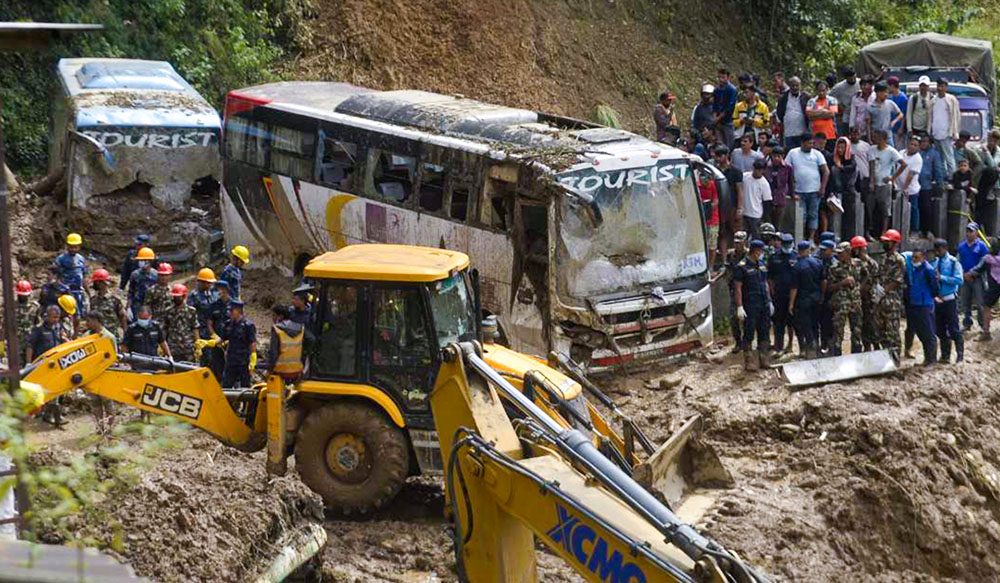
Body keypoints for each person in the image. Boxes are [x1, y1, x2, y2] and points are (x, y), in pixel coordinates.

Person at [734, 239, 772, 370]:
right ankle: (749, 360)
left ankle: (764, 358)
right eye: (761, 251)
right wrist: (739, 306)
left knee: (764, 331)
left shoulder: (761, 263)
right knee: (749, 331)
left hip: (764, 303)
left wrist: (770, 300)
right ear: (756, 251)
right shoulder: (742, 266)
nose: (762, 253)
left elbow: (765, 282)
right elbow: (738, 287)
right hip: (750, 304)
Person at [27, 305, 68, 426]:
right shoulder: (39, 329)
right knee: (50, 390)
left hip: (57, 364)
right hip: (43, 365)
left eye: (58, 317)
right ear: (47, 316)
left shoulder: (58, 327)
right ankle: (57, 417)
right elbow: (30, 346)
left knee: (56, 390)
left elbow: (61, 342)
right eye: (54, 317)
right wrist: (29, 363)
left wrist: (65, 339)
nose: (56, 320)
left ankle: (48, 415)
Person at [786, 133, 830, 242]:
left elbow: (826, 171)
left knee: (813, 214)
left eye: (812, 143)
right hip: (799, 191)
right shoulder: (793, 153)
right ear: (802, 143)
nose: (811, 145)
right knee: (802, 215)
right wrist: (790, 189)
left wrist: (822, 188)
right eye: (809, 143)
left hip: (815, 191)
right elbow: (787, 169)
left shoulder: (817, 154)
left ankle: (811, 238)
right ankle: (801, 238)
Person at [903, 248, 940, 365]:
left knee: (928, 333)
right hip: (914, 304)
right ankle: (927, 359)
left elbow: (935, 287)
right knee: (920, 333)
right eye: (913, 257)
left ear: (923, 258)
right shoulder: (913, 269)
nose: (914, 259)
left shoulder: (928, 270)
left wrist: (929, 297)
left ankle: (931, 360)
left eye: (917, 257)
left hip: (924, 305)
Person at [788, 240, 825, 359]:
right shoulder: (818, 263)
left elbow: (794, 287)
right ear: (808, 250)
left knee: (806, 324)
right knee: (815, 324)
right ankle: (818, 347)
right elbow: (823, 281)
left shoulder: (797, 266)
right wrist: (822, 295)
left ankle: (811, 349)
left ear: (799, 251)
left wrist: (791, 304)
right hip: (816, 297)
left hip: (803, 299)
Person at [84, 311, 118, 433]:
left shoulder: (109, 337)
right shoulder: (86, 336)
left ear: (96, 321)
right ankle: (100, 428)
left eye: (89, 320)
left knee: (108, 403)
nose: (87, 323)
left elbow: (114, 357)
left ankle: (109, 429)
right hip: (91, 375)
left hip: (105, 374)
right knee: (95, 404)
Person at [931, 239, 964, 363]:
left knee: (954, 328)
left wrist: (942, 278)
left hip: (949, 299)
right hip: (938, 300)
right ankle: (945, 355)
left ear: (945, 249)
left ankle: (960, 355)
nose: (937, 252)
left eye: (938, 250)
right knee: (939, 328)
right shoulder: (935, 262)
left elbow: (959, 280)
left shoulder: (953, 262)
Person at [828, 241, 863, 355]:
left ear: (848, 252)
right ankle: (837, 356)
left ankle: (856, 355)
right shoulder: (834, 268)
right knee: (838, 332)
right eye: (837, 254)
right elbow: (829, 287)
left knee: (857, 331)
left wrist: (859, 288)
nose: (839, 256)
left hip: (855, 303)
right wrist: (843, 282)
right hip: (841, 303)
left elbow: (866, 276)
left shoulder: (858, 264)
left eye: (841, 253)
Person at [874, 229, 906, 353]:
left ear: (894, 243)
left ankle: (895, 360)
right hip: (880, 300)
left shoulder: (899, 260)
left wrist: (882, 292)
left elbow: (897, 280)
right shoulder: (882, 258)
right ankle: (885, 358)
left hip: (892, 301)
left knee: (892, 332)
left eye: (887, 242)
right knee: (880, 331)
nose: (884, 244)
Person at [869, 130, 904, 238]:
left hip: (885, 184)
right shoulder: (872, 149)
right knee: (870, 207)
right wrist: (872, 181)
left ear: (883, 139)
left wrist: (892, 177)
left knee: (885, 209)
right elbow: (871, 165)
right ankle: (871, 230)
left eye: (877, 137)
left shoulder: (891, 151)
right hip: (875, 183)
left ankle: (884, 231)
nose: (875, 139)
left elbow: (903, 164)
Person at [267, 305, 313, 380]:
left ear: (280, 316)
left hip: (280, 370)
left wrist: (269, 370)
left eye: (274, 315)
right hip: (297, 370)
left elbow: (273, 352)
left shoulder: (277, 329)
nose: (273, 318)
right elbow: (311, 340)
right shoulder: (301, 328)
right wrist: (303, 355)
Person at [768, 233, 796, 354]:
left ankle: (790, 344)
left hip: (792, 296)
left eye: (788, 244)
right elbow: (769, 277)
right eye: (785, 244)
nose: (786, 246)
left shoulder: (796, 256)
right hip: (778, 295)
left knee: (791, 323)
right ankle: (778, 345)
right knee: (778, 322)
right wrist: (771, 290)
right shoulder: (774, 257)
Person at [712, 145, 743, 261]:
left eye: (720, 155)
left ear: (726, 156)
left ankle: (738, 257)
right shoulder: (715, 171)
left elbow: (739, 190)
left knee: (735, 232)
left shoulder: (735, 171)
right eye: (717, 156)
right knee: (722, 233)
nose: (718, 158)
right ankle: (724, 260)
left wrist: (739, 208)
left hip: (732, 206)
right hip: (719, 206)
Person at [219, 300, 257, 388]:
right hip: (231, 360)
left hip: (243, 361)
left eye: (232, 311)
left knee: (245, 386)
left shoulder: (248, 325)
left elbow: (252, 342)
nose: (230, 313)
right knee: (226, 385)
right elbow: (222, 339)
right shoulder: (228, 324)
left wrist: (253, 357)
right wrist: (208, 343)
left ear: (239, 311)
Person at [958, 223, 989, 331]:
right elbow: (958, 261)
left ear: (976, 233)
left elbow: (984, 262)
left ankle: (982, 325)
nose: (969, 233)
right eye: (967, 231)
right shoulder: (962, 246)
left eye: (971, 231)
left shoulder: (982, 246)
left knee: (980, 303)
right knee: (965, 302)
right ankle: (967, 323)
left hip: (977, 278)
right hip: (965, 277)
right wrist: (962, 273)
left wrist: (972, 273)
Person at [851, 236, 880, 351]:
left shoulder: (871, 264)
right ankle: (866, 346)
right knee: (861, 325)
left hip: (869, 299)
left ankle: (876, 346)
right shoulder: (856, 262)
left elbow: (871, 283)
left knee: (872, 324)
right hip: (860, 299)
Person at [892, 136, 923, 238]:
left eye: (916, 145)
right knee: (897, 208)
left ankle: (914, 230)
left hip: (911, 189)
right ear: (907, 144)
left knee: (913, 209)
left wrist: (904, 189)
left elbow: (910, 176)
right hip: (898, 186)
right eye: (912, 144)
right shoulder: (901, 153)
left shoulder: (918, 159)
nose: (913, 147)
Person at [929, 78, 961, 175]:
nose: (939, 88)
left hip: (947, 133)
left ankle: (952, 178)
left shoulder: (951, 99)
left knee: (949, 157)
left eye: (942, 86)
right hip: (935, 132)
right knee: (940, 157)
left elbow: (956, 116)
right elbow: (930, 117)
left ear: (946, 87)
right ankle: (943, 177)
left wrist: (955, 132)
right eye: (938, 86)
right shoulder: (933, 100)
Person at [916, 133, 946, 238]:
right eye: (922, 141)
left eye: (925, 141)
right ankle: (918, 229)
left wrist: (940, 183)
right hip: (915, 185)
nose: (923, 143)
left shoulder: (934, 154)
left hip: (927, 186)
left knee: (927, 208)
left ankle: (927, 230)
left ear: (929, 143)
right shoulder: (917, 152)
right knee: (917, 208)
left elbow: (938, 169)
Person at [89, 268, 127, 341]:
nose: (95, 285)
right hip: (97, 336)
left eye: (97, 282)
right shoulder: (93, 300)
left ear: (103, 283)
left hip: (111, 336)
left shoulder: (115, 299)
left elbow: (122, 317)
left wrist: (125, 334)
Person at [726, 231, 748, 352]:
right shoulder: (731, 254)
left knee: (747, 318)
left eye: (739, 243)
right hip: (734, 289)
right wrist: (715, 279)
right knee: (733, 317)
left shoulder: (749, 254)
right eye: (735, 243)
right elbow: (726, 268)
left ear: (744, 242)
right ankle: (738, 342)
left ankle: (746, 341)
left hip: (747, 289)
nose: (737, 245)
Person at [207, 280, 234, 381]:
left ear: (225, 290)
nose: (217, 292)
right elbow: (209, 323)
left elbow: (239, 323)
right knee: (216, 365)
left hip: (231, 342)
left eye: (218, 290)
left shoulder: (234, 305)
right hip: (217, 342)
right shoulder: (214, 305)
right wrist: (214, 336)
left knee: (231, 367)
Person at [54, 233, 88, 312]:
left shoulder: (81, 259)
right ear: (67, 246)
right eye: (71, 247)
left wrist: (87, 291)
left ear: (79, 246)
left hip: (78, 291)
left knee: (79, 313)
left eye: (75, 247)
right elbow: (54, 275)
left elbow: (84, 276)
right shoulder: (61, 259)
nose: (73, 249)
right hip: (66, 291)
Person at [164, 283, 198, 362]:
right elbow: (165, 328)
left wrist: (197, 344)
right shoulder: (168, 311)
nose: (175, 299)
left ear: (184, 296)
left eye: (177, 297)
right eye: (174, 297)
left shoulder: (191, 311)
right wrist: (163, 345)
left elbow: (195, 328)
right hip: (173, 347)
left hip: (188, 347)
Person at [827, 137, 856, 227]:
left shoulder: (851, 157)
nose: (840, 150)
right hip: (836, 190)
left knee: (849, 217)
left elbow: (852, 167)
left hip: (848, 190)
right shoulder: (832, 157)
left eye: (842, 148)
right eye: (838, 147)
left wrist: (841, 167)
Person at [775, 76, 810, 150]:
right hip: (788, 132)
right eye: (793, 85)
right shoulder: (783, 98)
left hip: (803, 132)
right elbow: (779, 113)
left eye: (797, 85)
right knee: (790, 153)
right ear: (789, 86)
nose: (795, 87)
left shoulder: (806, 96)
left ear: (800, 85)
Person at [867, 80, 904, 147]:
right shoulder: (870, 106)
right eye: (884, 92)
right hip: (876, 137)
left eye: (886, 92)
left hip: (888, 136)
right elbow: (868, 124)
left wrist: (894, 122)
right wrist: (869, 138)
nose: (886, 94)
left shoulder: (890, 103)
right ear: (878, 93)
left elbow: (900, 114)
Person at [741, 160, 772, 238]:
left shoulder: (764, 184)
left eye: (760, 170)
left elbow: (767, 201)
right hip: (744, 212)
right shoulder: (745, 177)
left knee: (756, 236)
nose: (757, 171)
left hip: (756, 214)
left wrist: (765, 218)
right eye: (756, 169)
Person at [764, 146, 792, 228]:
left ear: (782, 156)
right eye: (774, 156)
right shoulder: (767, 167)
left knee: (778, 223)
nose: (776, 158)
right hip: (768, 198)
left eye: (778, 156)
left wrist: (793, 194)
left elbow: (791, 182)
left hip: (780, 198)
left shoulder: (787, 168)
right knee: (768, 223)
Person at [127, 247, 158, 319]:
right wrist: (128, 308)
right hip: (137, 306)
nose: (142, 262)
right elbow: (130, 293)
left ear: (150, 261)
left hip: (152, 307)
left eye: (144, 260)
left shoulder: (156, 275)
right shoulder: (135, 274)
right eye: (141, 260)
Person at [698, 171, 720, 270]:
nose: (704, 183)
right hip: (700, 219)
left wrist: (708, 207)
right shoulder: (697, 186)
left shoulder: (712, 186)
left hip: (712, 219)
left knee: (712, 243)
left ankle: (711, 266)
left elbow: (716, 200)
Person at [830, 67, 861, 136]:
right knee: (846, 134)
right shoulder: (839, 87)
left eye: (853, 75)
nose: (852, 78)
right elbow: (829, 96)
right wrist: (838, 105)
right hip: (847, 114)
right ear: (846, 78)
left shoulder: (861, 83)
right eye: (850, 77)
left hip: (860, 114)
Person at [13, 280, 38, 364]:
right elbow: (5, 326)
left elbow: (38, 324)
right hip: (17, 343)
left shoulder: (34, 307)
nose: (23, 298)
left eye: (25, 296)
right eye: (21, 295)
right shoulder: (12, 307)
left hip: (31, 343)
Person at [712, 69, 739, 147]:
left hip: (727, 120)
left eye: (723, 77)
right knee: (719, 142)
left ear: (728, 77)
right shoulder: (717, 90)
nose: (721, 80)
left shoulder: (732, 90)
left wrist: (719, 117)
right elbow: (714, 104)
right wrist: (715, 116)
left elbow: (730, 106)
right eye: (719, 77)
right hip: (718, 121)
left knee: (729, 143)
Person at [952, 158, 979, 225]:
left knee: (971, 212)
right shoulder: (956, 174)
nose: (963, 168)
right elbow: (957, 185)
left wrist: (970, 198)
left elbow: (974, 187)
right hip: (959, 196)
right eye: (961, 166)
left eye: (965, 166)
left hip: (969, 197)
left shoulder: (971, 174)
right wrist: (969, 188)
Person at [886, 76, 908, 147]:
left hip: (898, 128)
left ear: (892, 86)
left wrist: (901, 128)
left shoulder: (903, 98)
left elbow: (904, 114)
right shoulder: (890, 97)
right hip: (890, 128)